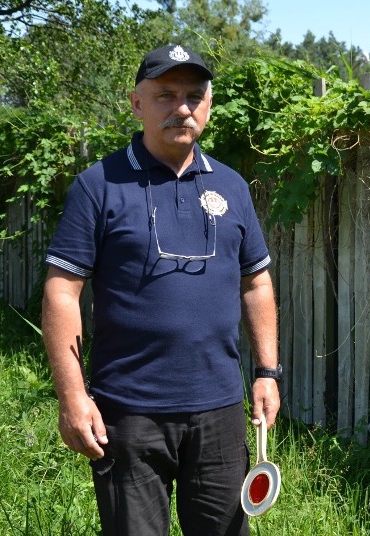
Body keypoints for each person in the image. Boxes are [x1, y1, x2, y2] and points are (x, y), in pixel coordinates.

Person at [41, 44, 281, 535]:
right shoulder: (99, 185)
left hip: (218, 411)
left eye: (194, 96)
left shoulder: (232, 186)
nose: (182, 108)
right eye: (166, 95)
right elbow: (62, 291)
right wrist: (71, 395)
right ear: (136, 103)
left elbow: (256, 281)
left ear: (209, 106)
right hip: (128, 414)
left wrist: (267, 371)